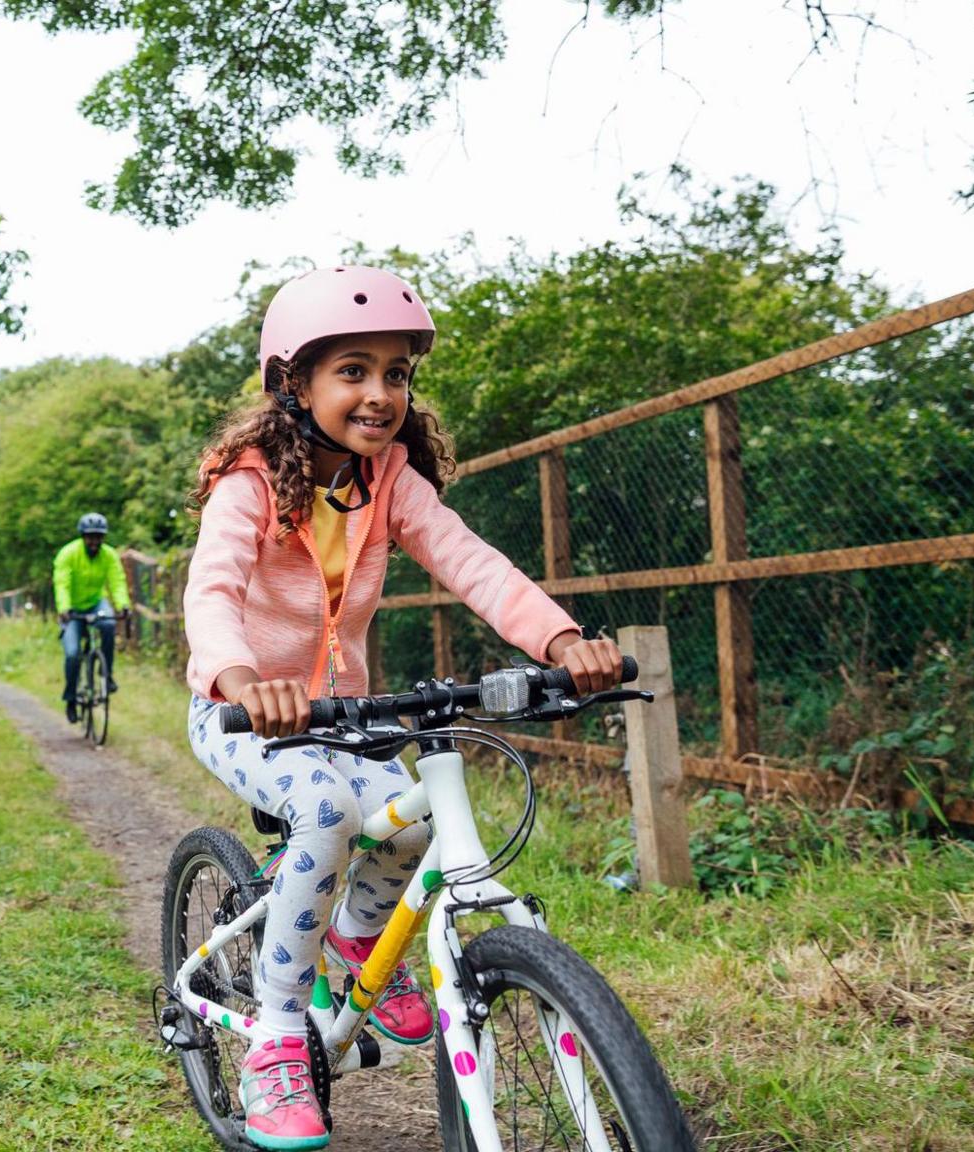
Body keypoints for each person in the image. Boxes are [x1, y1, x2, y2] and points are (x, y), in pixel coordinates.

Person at [183, 266, 624, 1151]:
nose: (380, 393)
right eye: (353, 370)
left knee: (415, 828)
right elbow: (214, 590)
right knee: (326, 815)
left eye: (397, 373)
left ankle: (350, 944)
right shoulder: (252, 483)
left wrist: (561, 640)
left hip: (344, 715)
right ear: (292, 384)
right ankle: (276, 1034)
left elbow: (474, 563)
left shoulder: (388, 482)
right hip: (244, 712)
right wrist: (237, 678)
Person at [52, 512, 131, 722]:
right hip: (72, 609)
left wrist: (123, 605)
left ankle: (107, 675)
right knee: (72, 653)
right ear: (83, 536)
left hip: (96, 603)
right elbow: (62, 583)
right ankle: (70, 699)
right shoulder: (68, 554)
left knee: (107, 625)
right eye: (90, 537)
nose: (94, 541)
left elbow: (117, 581)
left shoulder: (109, 555)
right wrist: (64, 607)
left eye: (98, 537)